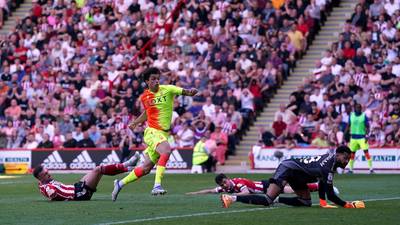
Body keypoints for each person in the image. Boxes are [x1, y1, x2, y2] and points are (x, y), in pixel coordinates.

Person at [112, 67, 198, 200]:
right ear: (147, 81)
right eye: (153, 79)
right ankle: (157, 185)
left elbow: (184, 91)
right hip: (152, 131)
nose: (156, 81)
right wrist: (135, 122)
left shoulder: (168, 89)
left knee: (146, 168)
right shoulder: (145, 96)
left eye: (157, 78)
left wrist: (190, 92)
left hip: (164, 134)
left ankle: (120, 183)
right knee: (166, 151)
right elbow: (147, 113)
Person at [220, 146, 365, 209]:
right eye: (345, 158)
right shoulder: (328, 166)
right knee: (267, 200)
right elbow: (331, 194)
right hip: (288, 168)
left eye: (348, 159)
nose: (347, 161)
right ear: (338, 155)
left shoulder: (331, 161)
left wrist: (322, 202)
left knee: (306, 202)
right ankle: (232, 198)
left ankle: (278, 199)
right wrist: (348, 205)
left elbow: (322, 182)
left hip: (298, 174)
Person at [33, 153, 139, 201]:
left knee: (98, 171)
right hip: (79, 194)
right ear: (40, 176)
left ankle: (129, 168)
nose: (49, 174)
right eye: (46, 174)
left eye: (47, 172)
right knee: (98, 169)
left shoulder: (42, 183)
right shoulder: (46, 187)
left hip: (76, 187)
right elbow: (52, 194)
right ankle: (127, 164)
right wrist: (55, 196)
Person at [185, 173, 339, 196]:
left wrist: (231, 196)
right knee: (292, 190)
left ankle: (319, 186)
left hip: (265, 186)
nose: (224, 185)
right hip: (263, 187)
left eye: (224, 182)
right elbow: (211, 190)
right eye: (222, 184)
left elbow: (245, 193)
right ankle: (318, 186)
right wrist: (194, 193)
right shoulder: (228, 187)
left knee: (291, 191)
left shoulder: (238, 183)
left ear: (227, 179)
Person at [346, 103, 373, 174]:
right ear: (354, 108)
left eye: (359, 108)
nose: (358, 109)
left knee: (366, 152)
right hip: (353, 137)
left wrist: (367, 135)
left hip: (362, 137)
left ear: (361, 108)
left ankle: (371, 169)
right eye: (356, 107)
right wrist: (345, 134)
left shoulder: (364, 116)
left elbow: (367, 127)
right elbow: (348, 125)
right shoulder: (351, 115)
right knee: (352, 153)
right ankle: (351, 169)